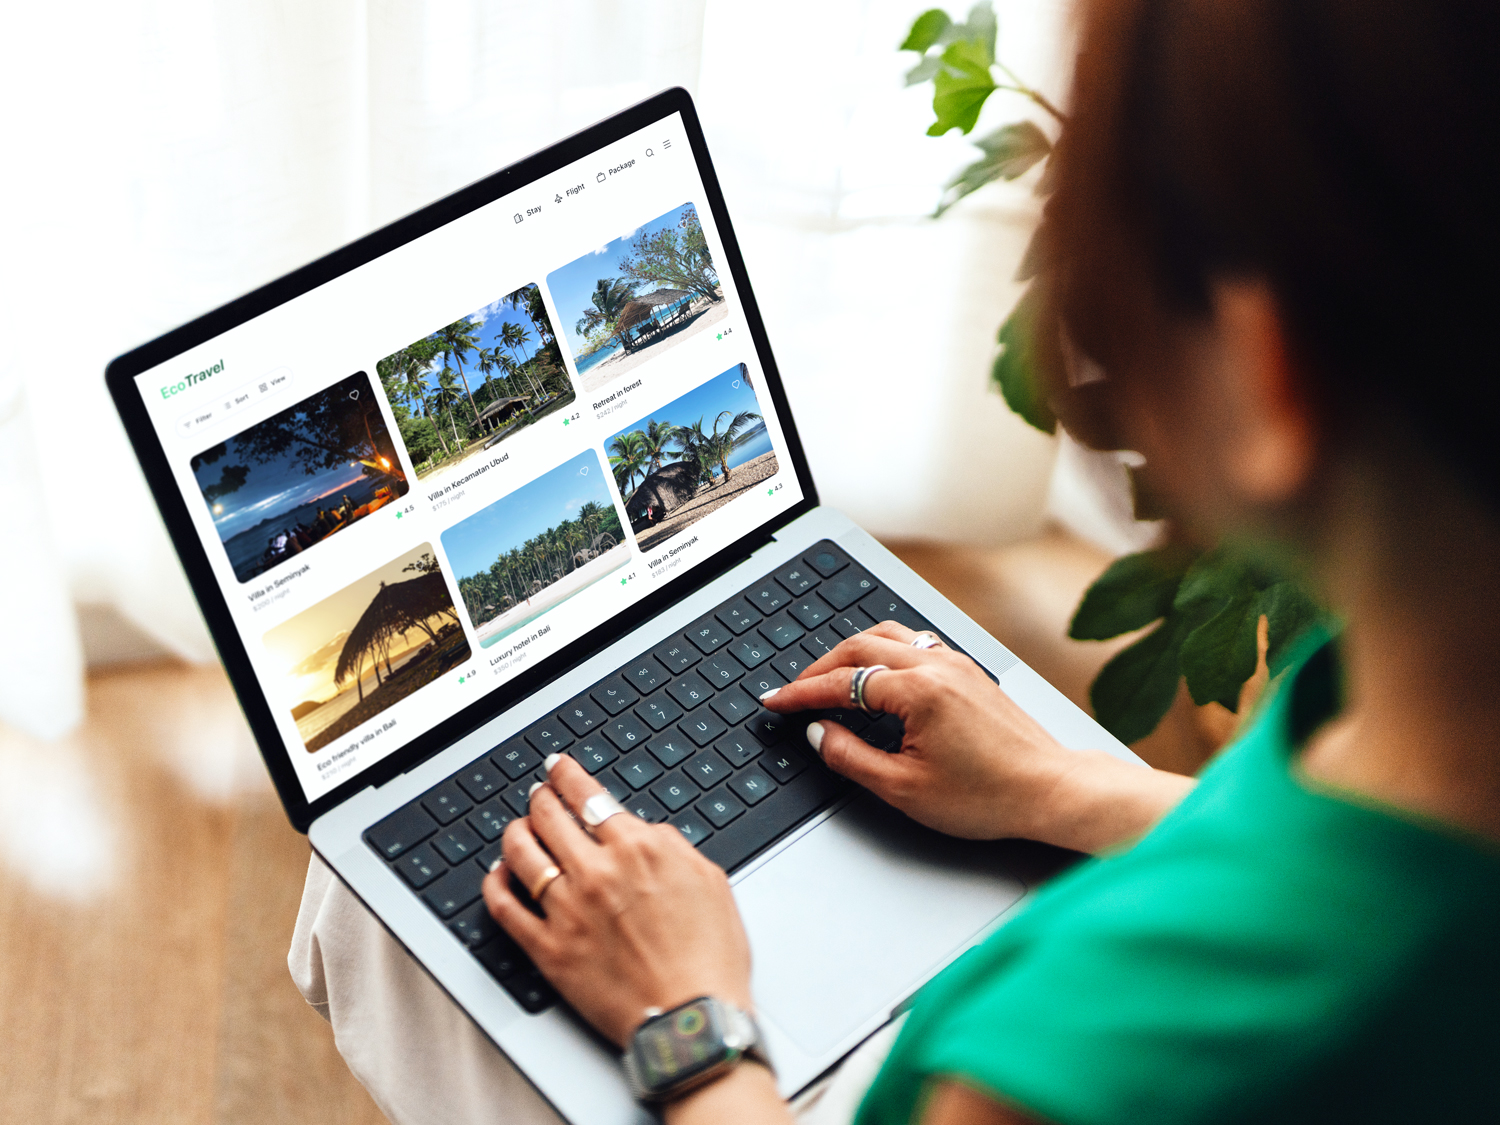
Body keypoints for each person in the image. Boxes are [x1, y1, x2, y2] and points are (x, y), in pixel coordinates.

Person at [478, 2, 1500, 1122]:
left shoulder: (1084, 1056)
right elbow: (1345, 865)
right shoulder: (1409, 713)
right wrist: (1059, 785)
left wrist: (689, 1025)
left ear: (1272, 376)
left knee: (421, 932)